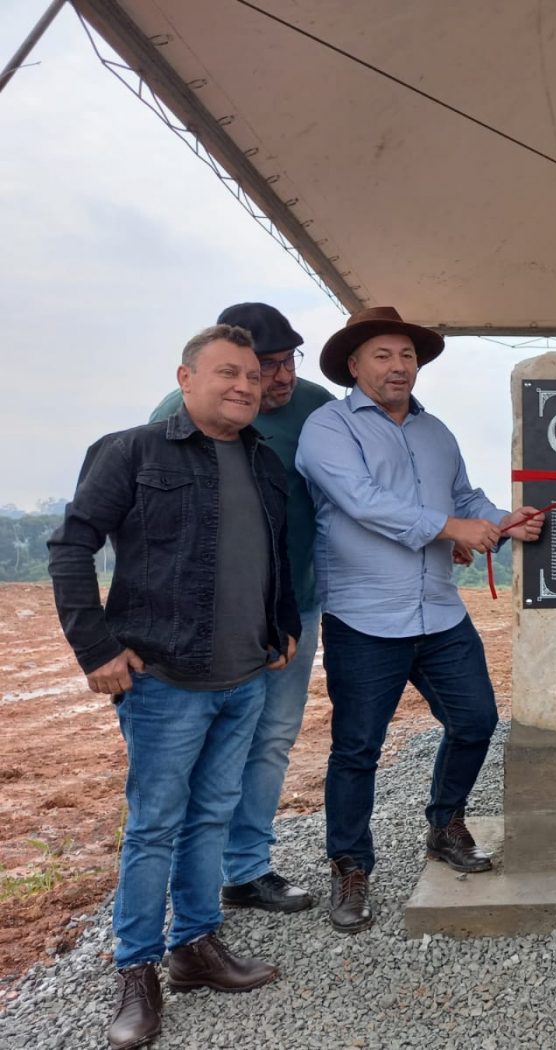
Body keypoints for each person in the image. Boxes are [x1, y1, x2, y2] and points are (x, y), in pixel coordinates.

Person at [49, 324, 298, 1050]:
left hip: (244, 678)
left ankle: (195, 947)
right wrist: (94, 646)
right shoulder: (131, 451)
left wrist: (278, 625)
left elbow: (272, 555)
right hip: (165, 680)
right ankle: (137, 969)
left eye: (254, 376)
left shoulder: (263, 460)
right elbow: (71, 545)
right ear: (185, 378)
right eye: (227, 373)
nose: (245, 386)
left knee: (213, 815)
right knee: (155, 824)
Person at [295, 306, 543, 934]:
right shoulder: (328, 428)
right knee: (357, 748)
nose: (398, 366)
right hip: (363, 616)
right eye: (382, 355)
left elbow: (463, 498)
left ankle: (445, 824)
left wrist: (505, 519)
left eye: (407, 356)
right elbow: (362, 501)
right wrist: (449, 527)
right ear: (354, 366)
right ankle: (350, 866)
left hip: (437, 608)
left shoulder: (437, 433)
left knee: (476, 719)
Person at [150, 303, 332, 914]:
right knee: (200, 748)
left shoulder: (318, 409)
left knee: (272, 737)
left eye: (286, 363)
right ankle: (187, 884)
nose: (278, 379)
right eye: (264, 366)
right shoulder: (178, 416)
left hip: (292, 608)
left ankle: (247, 869)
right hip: (204, 620)